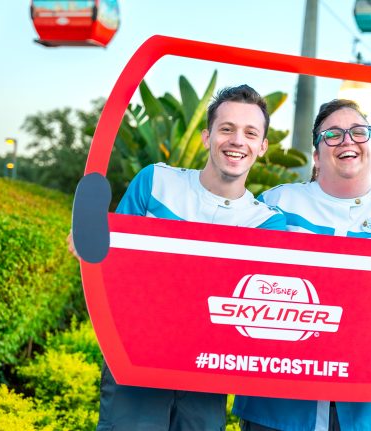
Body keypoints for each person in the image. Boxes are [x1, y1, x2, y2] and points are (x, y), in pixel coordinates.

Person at [70, 84, 286, 431]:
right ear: (206, 136)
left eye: (250, 133)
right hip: (137, 362)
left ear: (261, 147)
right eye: (226, 129)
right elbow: (114, 268)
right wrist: (94, 246)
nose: (236, 141)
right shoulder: (155, 182)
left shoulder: (268, 223)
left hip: (210, 373)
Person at [233, 99, 371, 431]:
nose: (347, 140)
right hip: (281, 405)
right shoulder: (277, 204)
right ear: (316, 155)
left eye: (358, 132)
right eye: (332, 135)